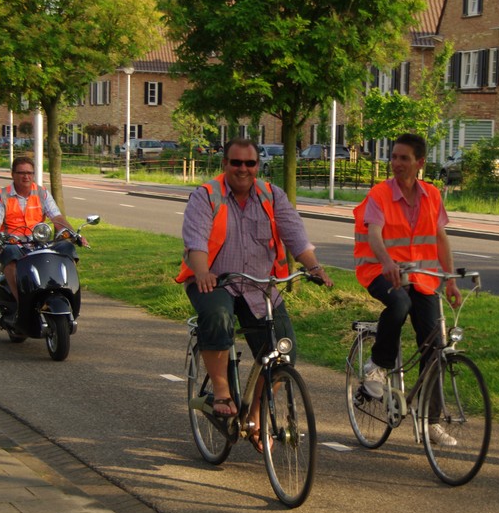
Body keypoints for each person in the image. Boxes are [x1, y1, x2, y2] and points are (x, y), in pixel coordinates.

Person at [176, 138, 333, 451]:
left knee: (283, 349)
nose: (243, 169)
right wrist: (203, 272)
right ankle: (222, 392)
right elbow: (196, 241)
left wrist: (314, 267)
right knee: (218, 316)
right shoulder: (207, 195)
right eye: (236, 163)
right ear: (225, 164)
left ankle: (256, 413)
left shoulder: (272, 196)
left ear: (258, 166)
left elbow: (296, 236)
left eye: (249, 163)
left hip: (259, 285)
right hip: (215, 281)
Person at [353, 133, 461, 447]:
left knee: (435, 349)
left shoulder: (432, 195)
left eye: (404, 158)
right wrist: (387, 261)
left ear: (420, 163)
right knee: (399, 304)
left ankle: (431, 422)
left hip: (422, 278)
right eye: (394, 157)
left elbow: (440, 238)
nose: (396, 163)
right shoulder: (380, 193)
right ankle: (378, 365)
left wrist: (450, 279)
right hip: (381, 272)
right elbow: (374, 234)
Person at [0, 156, 85, 313]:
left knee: (67, 249)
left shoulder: (41, 193)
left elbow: (57, 218)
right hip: (13, 243)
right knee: (11, 255)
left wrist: (74, 234)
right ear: (12, 174)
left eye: (29, 173)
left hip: (40, 243)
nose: (26, 176)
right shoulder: (1, 195)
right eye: (21, 173)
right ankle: (22, 305)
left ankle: (68, 295)